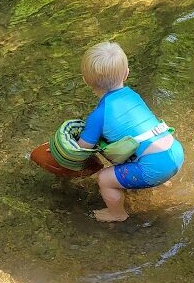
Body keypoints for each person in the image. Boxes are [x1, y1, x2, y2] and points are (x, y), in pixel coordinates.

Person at [77, 41, 184, 222]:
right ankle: (163, 179)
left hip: (154, 167)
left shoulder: (98, 115)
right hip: (175, 151)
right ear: (126, 73)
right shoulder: (133, 96)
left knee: (104, 179)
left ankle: (117, 214)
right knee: (139, 146)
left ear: (85, 81)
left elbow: (82, 148)